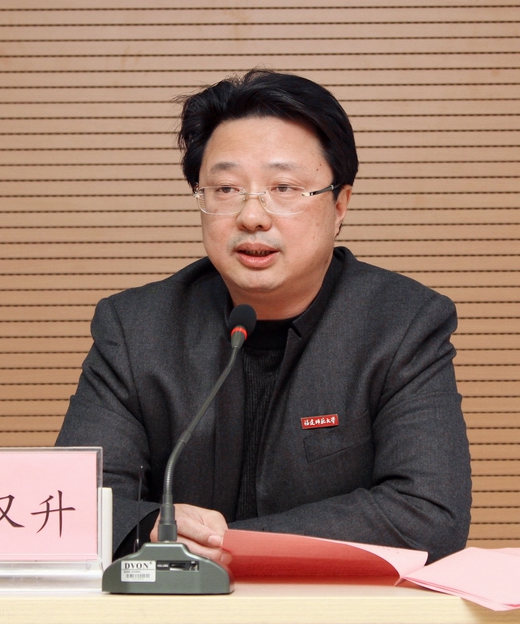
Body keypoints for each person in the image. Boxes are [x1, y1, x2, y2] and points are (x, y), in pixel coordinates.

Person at [56, 69, 471, 563]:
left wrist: (226, 543)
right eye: (226, 189)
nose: (252, 216)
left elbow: (429, 513)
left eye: (284, 187)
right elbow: (71, 507)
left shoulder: (402, 324)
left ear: (340, 204)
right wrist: (149, 528)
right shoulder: (135, 329)